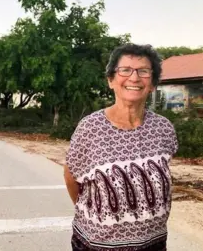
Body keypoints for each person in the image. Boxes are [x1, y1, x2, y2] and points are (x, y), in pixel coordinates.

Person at [63, 43, 178, 251]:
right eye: (125, 70)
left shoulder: (164, 127)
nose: (134, 78)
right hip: (98, 244)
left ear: (152, 84)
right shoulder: (90, 127)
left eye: (143, 71)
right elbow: (72, 179)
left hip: (153, 243)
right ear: (110, 80)